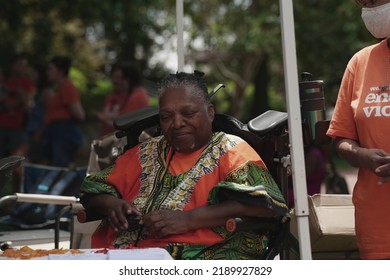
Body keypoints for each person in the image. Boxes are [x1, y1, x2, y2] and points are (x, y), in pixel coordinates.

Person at [80, 71, 289, 260]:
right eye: (166, 117)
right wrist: (113, 206)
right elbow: (93, 189)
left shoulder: (230, 150)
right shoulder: (146, 151)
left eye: (188, 114)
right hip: (120, 257)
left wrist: (188, 219)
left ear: (210, 112)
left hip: (198, 258)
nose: (177, 123)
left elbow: (266, 205)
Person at [326, 0, 390, 259]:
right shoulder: (360, 63)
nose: (369, 9)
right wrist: (362, 156)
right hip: (377, 222)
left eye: (375, 1)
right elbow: (342, 137)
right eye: (364, 3)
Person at [40, 55, 85, 167]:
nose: (47, 72)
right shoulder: (58, 88)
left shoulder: (67, 87)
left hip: (63, 132)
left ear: (61, 71)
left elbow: (80, 115)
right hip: (55, 133)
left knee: (61, 167)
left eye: (51, 69)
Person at [92, 63, 150, 137]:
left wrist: (101, 117)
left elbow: (124, 125)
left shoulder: (137, 96)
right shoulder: (112, 96)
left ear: (128, 79)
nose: (118, 81)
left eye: (122, 78)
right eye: (114, 77)